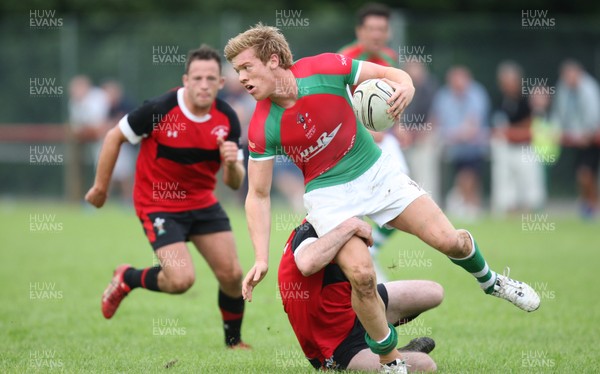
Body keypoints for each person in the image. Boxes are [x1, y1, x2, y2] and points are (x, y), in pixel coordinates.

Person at [224, 24, 539, 370]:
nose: (241, 78)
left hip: (377, 174)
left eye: (246, 67)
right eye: (238, 71)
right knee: (361, 275)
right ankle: (391, 361)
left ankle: (492, 282)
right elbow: (257, 194)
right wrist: (260, 257)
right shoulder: (262, 125)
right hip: (329, 199)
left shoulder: (325, 68)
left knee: (453, 242)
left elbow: (393, 74)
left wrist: (405, 86)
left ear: (273, 60)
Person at [85, 45, 250, 349]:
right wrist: (100, 188)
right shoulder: (159, 108)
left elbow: (233, 182)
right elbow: (114, 136)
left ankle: (233, 342)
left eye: (211, 78)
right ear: (186, 79)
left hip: (202, 202)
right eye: (197, 78)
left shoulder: (227, 118)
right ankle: (127, 277)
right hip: (158, 204)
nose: (204, 85)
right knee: (180, 281)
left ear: (221, 84)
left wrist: (230, 163)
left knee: (232, 274)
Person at [279, 217, 441, 372]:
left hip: (352, 310)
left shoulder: (340, 225)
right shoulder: (310, 230)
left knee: (434, 292)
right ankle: (391, 353)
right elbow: (307, 264)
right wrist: (352, 226)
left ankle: (380, 343)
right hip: (335, 345)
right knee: (425, 365)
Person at [338, 2, 410, 282]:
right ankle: (354, 262)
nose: (377, 34)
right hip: (354, 139)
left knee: (407, 194)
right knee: (356, 203)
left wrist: (400, 125)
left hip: (385, 139)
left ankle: (372, 250)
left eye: (382, 28)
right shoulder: (346, 58)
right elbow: (338, 102)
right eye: (371, 28)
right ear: (360, 31)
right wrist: (364, 130)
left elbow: (394, 96)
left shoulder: (390, 58)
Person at [430, 66, 490, 220]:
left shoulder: (477, 94)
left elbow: (473, 126)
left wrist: (457, 134)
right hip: (452, 147)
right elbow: (437, 121)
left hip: (474, 146)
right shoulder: (443, 96)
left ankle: (470, 205)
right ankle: (468, 205)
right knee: (465, 176)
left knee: (468, 175)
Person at [491, 61, 545, 215]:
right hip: (507, 149)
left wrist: (512, 131)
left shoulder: (528, 99)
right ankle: (511, 212)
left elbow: (532, 123)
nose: (506, 86)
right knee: (507, 183)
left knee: (528, 182)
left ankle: (529, 212)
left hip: (524, 148)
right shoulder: (501, 100)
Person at [553, 59, 600, 219]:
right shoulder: (563, 87)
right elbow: (559, 112)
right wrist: (558, 130)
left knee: (586, 174)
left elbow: (593, 114)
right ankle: (588, 206)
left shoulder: (589, 88)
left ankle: (592, 206)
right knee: (583, 175)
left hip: (592, 140)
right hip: (576, 141)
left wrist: (587, 132)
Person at [67, 75, 110, 202]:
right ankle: (79, 198)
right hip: (86, 140)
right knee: (78, 168)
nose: (75, 93)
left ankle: (103, 197)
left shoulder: (98, 97)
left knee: (104, 168)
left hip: (104, 138)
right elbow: (76, 127)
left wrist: (83, 130)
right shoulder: (73, 102)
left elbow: (99, 125)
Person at [101, 80, 137, 206]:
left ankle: (128, 200)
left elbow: (119, 125)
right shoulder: (110, 107)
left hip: (127, 144)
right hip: (118, 144)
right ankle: (103, 197)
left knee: (125, 175)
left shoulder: (126, 105)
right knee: (113, 174)